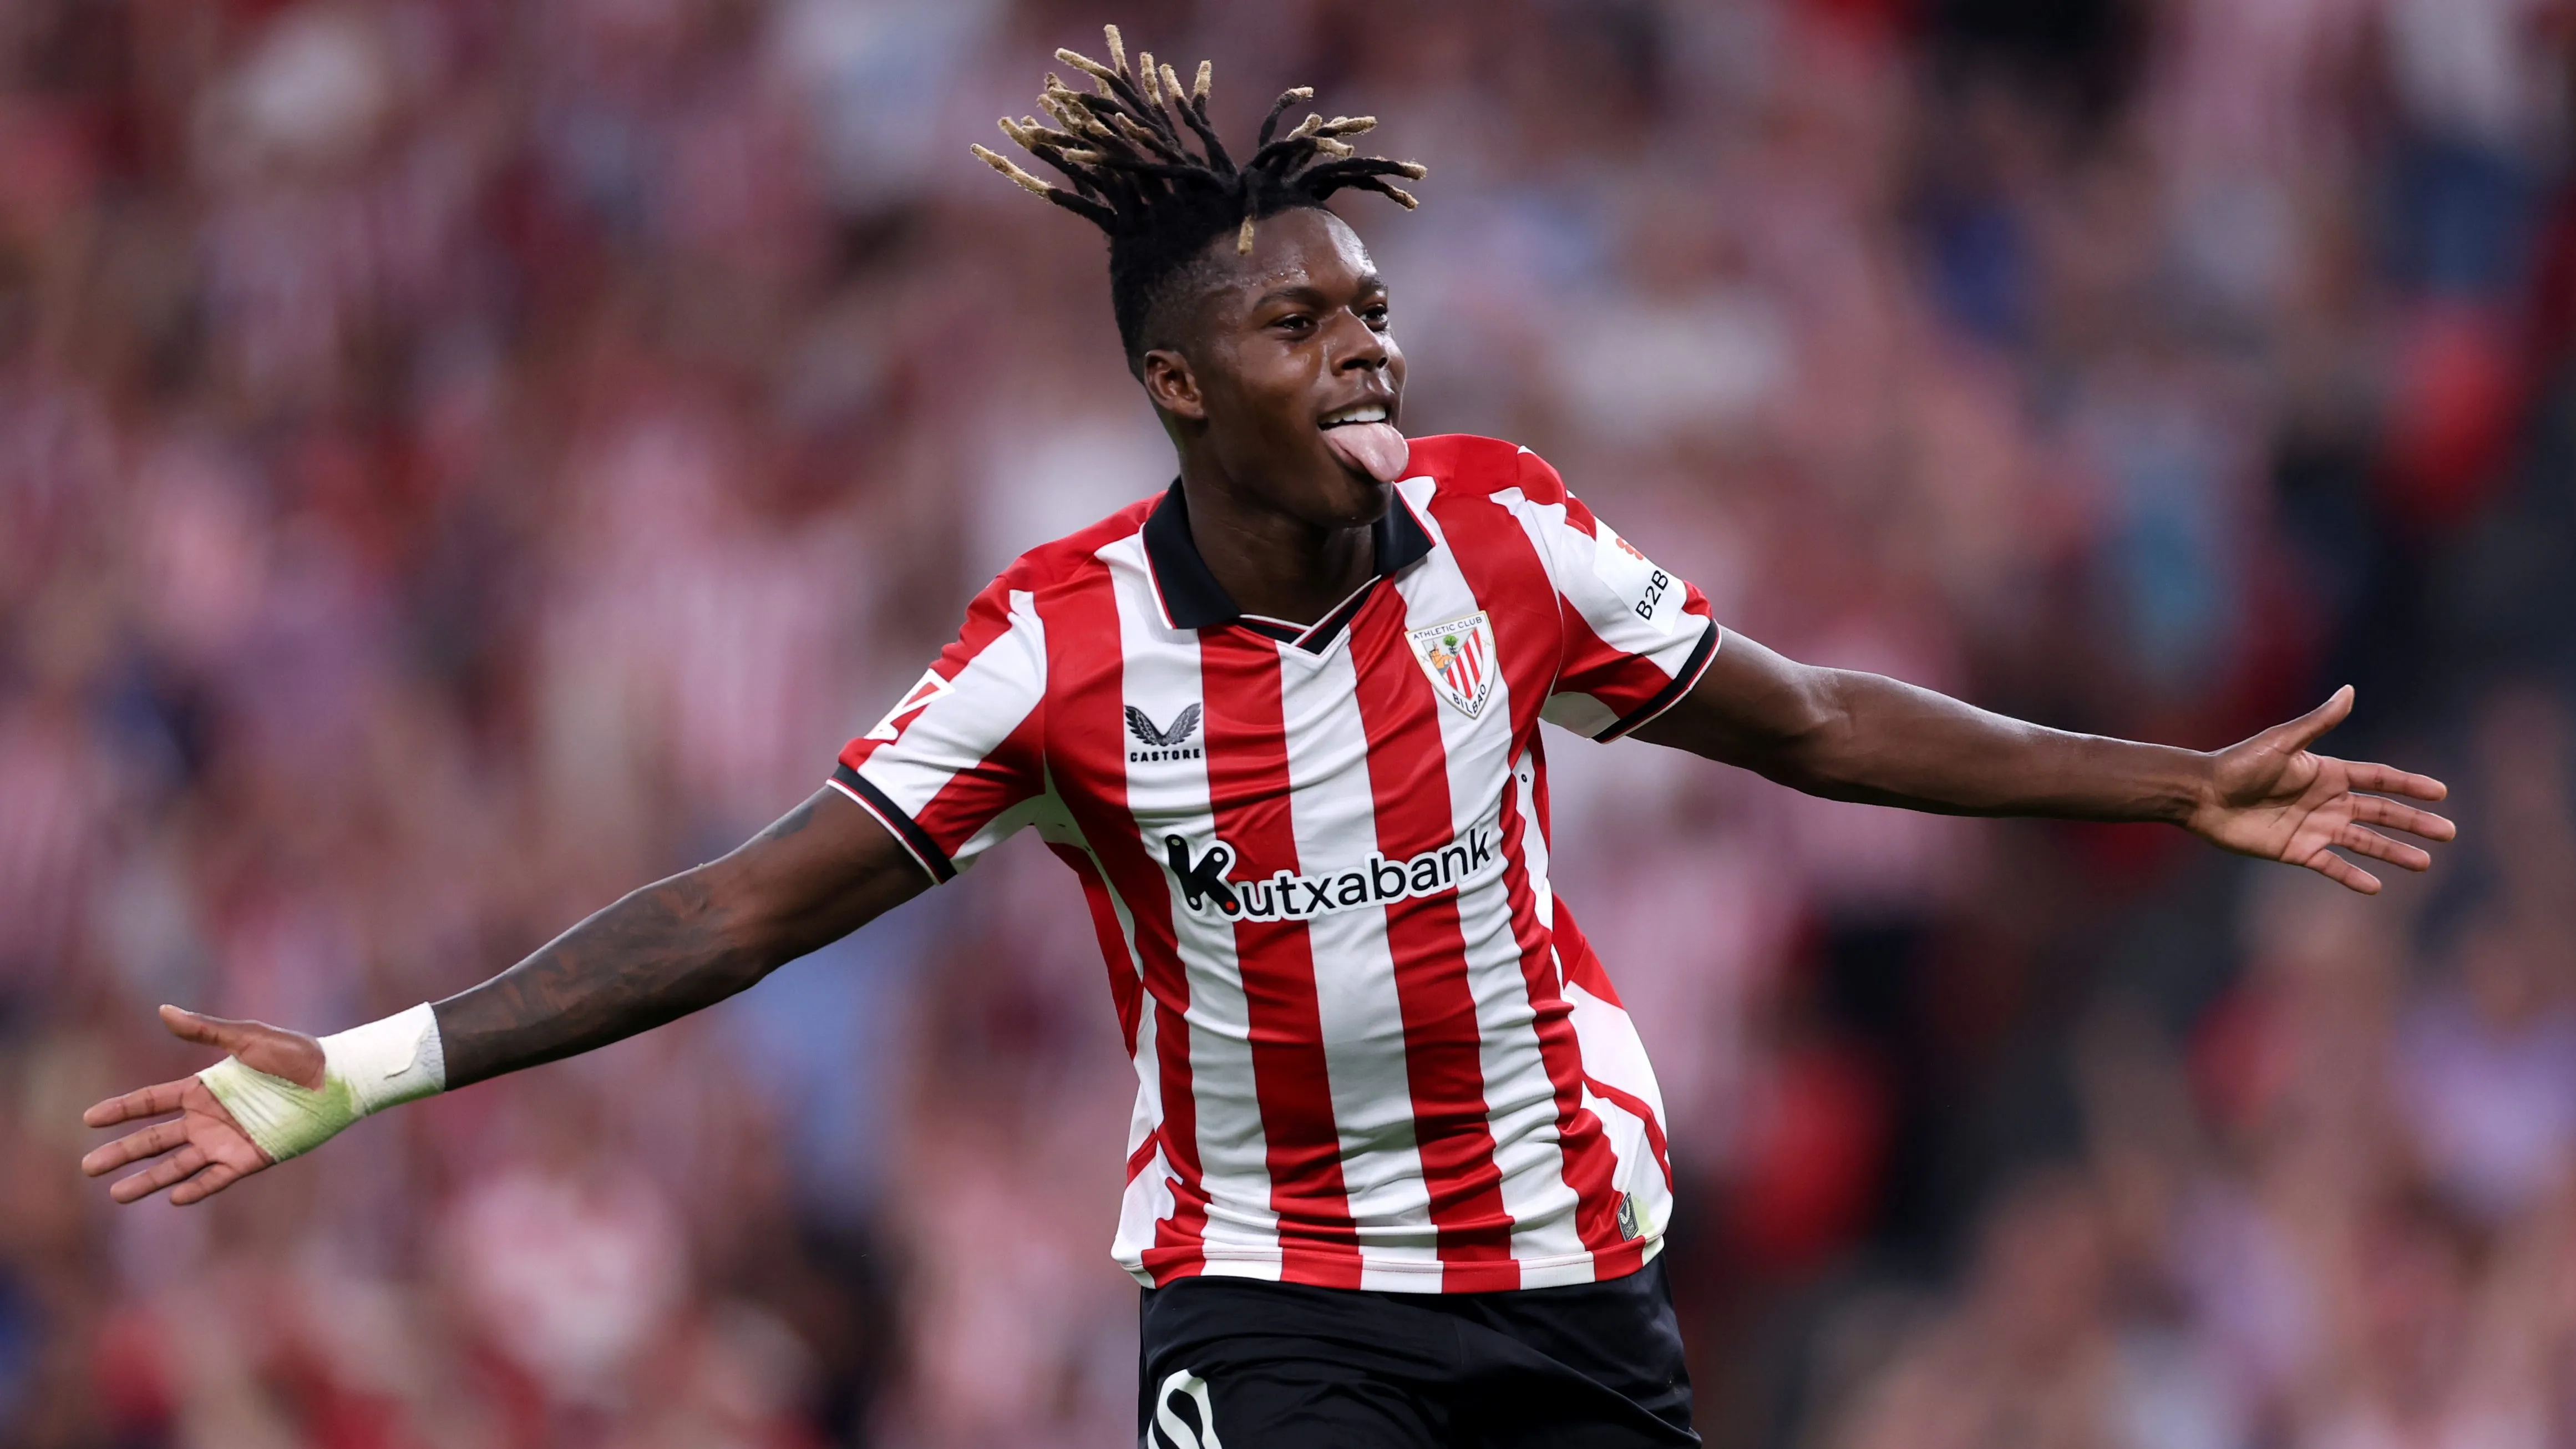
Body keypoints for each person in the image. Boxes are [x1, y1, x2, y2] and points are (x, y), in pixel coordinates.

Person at [82, 30, 2456, 1448]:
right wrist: (361, 1067)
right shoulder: (1055, 648)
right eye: (1305, 329)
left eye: (1374, 315)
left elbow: (1817, 724)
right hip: (1271, 1283)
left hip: (1558, 1264)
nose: (1366, 359)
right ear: (1181, 384)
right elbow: (740, 900)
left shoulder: (1509, 539)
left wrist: (2183, 779)